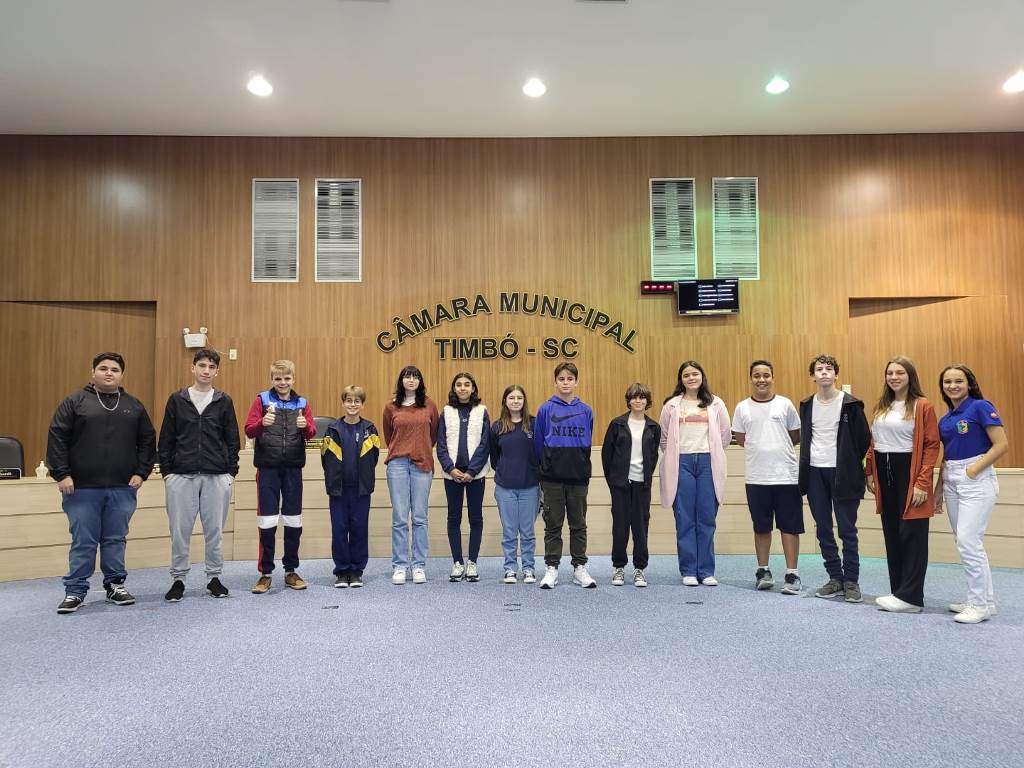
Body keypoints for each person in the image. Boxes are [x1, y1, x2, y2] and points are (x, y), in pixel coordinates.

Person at [47, 353, 156, 614]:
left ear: (121, 375)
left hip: (122, 488)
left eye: (115, 369)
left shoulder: (134, 406)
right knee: (84, 541)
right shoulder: (75, 402)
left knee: (115, 539)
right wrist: (61, 474)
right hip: (81, 488)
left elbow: (148, 441)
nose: (109, 373)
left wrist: (142, 472)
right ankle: (75, 590)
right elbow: (57, 437)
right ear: (93, 372)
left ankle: (115, 585)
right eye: (103, 368)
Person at [158, 348, 240, 601]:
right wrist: (168, 473)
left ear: (217, 371)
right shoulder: (177, 399)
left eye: (211, 367)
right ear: (193, 368)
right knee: (179, 532)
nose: (206, 371)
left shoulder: (224, 401)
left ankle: (214, 578)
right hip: (181, 475)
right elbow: (166, 438)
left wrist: (230, 473)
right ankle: (178, 579)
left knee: (214, 531)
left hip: (216, 475)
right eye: (202, 365)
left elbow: (232, 439)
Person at [864, 356, 940, 614]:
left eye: (900, 373)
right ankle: (898, 592)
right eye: (890, 373)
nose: (894, 377)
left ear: (910, 376)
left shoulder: (922, 405)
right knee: (893, 533)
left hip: (910, 472)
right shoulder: (882, 406)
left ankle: (912, 597)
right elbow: (874, 442)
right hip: (884, 472)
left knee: (912, 534)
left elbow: (931, 445)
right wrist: (870, 471)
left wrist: (922, 482)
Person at [934, 364, 1008, 624]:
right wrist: (938, 489)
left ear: (969, 384)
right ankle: (985, 601)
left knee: (968, 541)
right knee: (967, 541)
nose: (953, 386)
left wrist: (974, 470)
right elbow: (946, 456)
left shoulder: (980, 407)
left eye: (959, 381)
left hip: (976, 478)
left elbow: (1001, 444)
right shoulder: (945, 420)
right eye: (947, 382)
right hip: (951, 479)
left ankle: (978, 605)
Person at [798, 354, 871, 603]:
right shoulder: (807, 404)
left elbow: (863, 440)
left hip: (844, 474)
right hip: (814, 473)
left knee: (847, 530)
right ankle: (835, 578)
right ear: (813, 376)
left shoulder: (851, 404)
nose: (824, 372)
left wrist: (848, 462)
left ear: (836, 374)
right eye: (819, 369)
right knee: (823, 529)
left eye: (829, 369)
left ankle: (851, 581)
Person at [244, 359, 316, 594]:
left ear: (293, 379)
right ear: (272, 379)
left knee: (294, 521)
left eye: (287, 378)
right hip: (267, 470)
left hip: (293, 469)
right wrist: (261, 423)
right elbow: (249, 429)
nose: (282, 382)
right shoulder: (262, 400)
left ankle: (290, 570)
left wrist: (306, 427)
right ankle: (265, 573)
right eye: (278, 378)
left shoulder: (302, 403)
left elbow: (311, 433)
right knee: (267, 522)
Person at [731, 360, 804, 594]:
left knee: (789, 527)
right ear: (750, 378)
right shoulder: (742, 408)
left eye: (766, 375)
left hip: (786, 477)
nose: (761, 379)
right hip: (756, 478)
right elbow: (741, 439)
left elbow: (795, 435)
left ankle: (792, 574)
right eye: (756, 375)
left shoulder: (785, 404)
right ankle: (763, 571)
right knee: (761, 526)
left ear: (773, 378)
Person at [659, 361, 731, 586]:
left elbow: (725, 436)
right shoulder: (671, 405)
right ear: (681, 379)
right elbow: (664, 439)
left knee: (707, 518)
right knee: (685, 518)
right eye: (686, 375)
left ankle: (706, 571)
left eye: (695, 374)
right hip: (682, 463)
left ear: (702, 376)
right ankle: (689, 570)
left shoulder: (716, 403)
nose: (691, 378)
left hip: (708, 462)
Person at [534, 362, 596, 589]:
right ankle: (552, 568)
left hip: (578, 477)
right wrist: (547, 467)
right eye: (561, 379)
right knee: (553, 525)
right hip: (552, 478)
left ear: (576, 382)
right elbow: (538, 444)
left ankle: (580, 568)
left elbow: (587, 441)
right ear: (555, 382)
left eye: (570, 378)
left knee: (578, 525)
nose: (566, 382)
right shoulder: (545, 409)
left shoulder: (586, 410)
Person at [383, 365, 439, 585]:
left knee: (419, 517)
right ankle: (399, 565)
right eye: (407, 376)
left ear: (420, 381)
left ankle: (418, 566)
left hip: (422, 464)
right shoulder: (391, 406)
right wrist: (404, 448)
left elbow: (433, 435)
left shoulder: (429, 405)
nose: (411, 380)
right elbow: (389, 435)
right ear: (401, 380)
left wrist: (419, 448)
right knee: (399, 517)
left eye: (415, 377)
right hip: (397, 463)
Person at [601, 383, 661, 588]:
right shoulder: (617, 424)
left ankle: (639, 568)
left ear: (647, 401)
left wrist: (645, 478)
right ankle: (618, 567)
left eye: (642, 397)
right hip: (620, 485)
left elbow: (653, 457)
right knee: (620, 527)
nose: (638, 401)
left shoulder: (653, 427)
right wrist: (614, 481)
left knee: (640, 527)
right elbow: (607, 456)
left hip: (642, 485)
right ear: (629, 400)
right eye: (634, 397)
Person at [321, 386, 381, 588]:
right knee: (339, 530)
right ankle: (341, 571)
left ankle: (356, 571)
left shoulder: (370, 429)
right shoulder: (332, 429)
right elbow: (325, 459)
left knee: (359, 529)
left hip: (361, 490)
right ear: (343, 403)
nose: (352, 404)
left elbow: (374, 458)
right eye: (349, 400)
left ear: (362, 404)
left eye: (357, 401)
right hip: (338, 490)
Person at [437, 372, 490, 583]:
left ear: (473, 388)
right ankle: (458, 563)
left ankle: (472, 563)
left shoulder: (482, 411)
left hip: (475, 475)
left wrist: (472, 471)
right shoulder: (446, 411)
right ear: (454, 388)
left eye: (467, 384)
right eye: (459, 384)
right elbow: (441, 444)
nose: (463, 388)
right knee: (454, 518)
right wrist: (450, 468)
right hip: (452, 475)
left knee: (475, 518)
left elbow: (485, 444)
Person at [489, 385, 541, 584]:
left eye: (519, 397)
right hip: (505, 487)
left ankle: (528, 569)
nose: (516, 401)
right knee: (509, 531)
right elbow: (494, 458)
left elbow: (540, 453)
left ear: (524, 401)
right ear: (505, 401)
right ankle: (510, 568)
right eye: (512, 398)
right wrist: (505, 471)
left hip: (530, 486)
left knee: (527, 532)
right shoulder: (497, 427)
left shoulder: (534, 424)